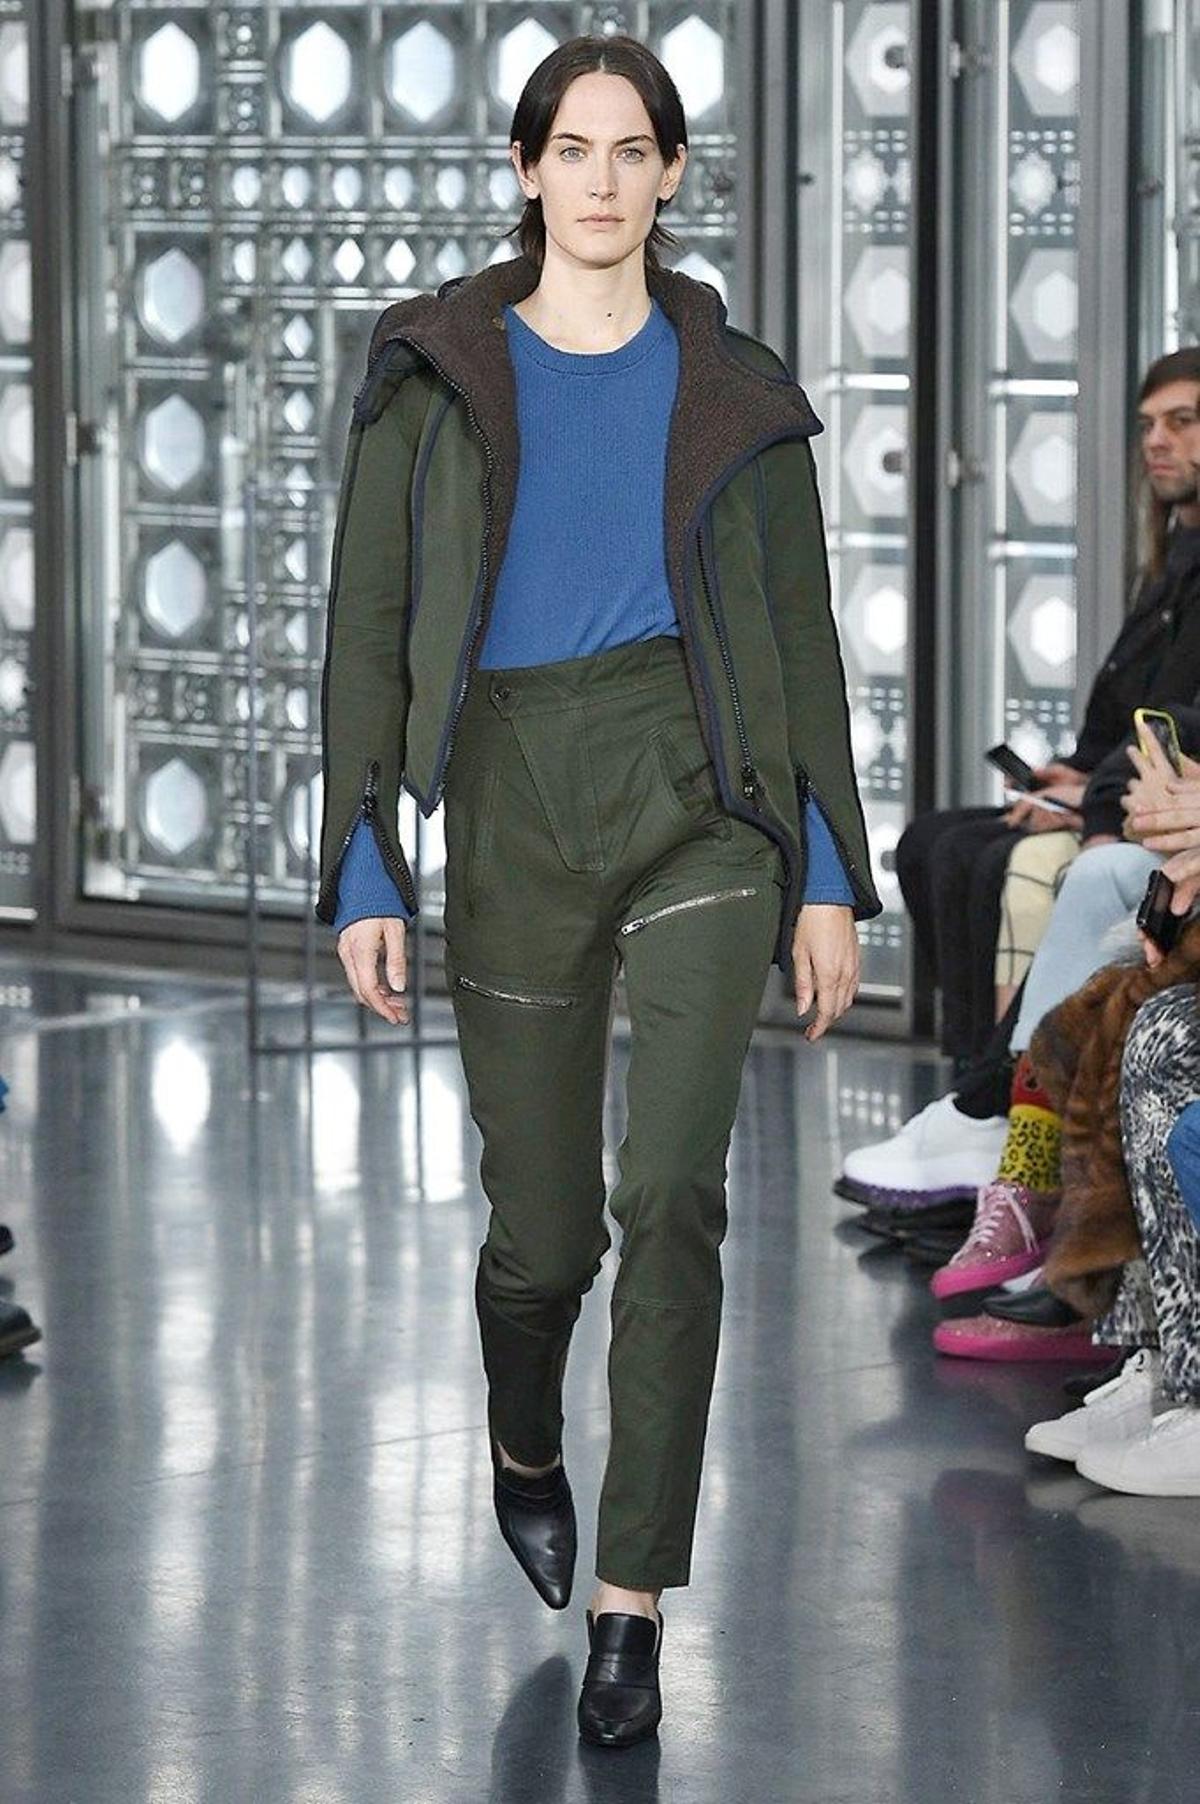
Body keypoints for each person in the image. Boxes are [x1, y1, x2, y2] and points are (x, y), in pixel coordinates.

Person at [314, 35, 880, 1749]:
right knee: (548, 1229)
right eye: (575, 149)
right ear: (527, 168)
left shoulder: (736, 391)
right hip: (508, 792)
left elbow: (799, 637)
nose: (606, 180)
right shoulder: (432, 379)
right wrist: (364, 857)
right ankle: (522, 1430)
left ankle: (633, 1598)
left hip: (700, 794)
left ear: (674, 173)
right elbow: (364, 628)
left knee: (676, 1188)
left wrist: (827, 869)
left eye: (636, 151)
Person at [894, 350, 1200, 1066]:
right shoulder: (1168, 566)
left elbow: (1176, 726)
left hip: (1149, 803)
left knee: (987, 858)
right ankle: (973, 1068)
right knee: (929, 841)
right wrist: (1072, 773)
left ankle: (1001, 1082)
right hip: (1110, 785)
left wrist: (1092, 795)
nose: (1156, 441)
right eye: (1147, 425)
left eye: (1181, 421)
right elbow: (1123, 711)